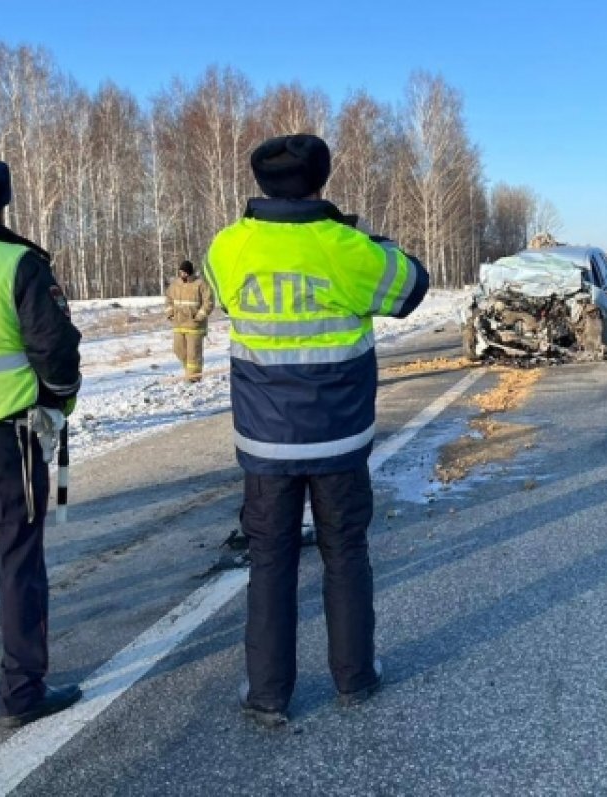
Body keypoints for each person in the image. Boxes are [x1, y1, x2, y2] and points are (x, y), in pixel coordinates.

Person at [205, 134, 429, 727]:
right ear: (321, 179)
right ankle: (354, 678)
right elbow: (412, 288)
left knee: (270, 563)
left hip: (264, 440)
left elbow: (228, 299)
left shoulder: (228, 246)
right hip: (339, 438)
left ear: (260, 182)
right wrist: (371, 241)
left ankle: (268, 695)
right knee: (345, 555)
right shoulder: (344, 246)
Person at [0, 158, 83, 727]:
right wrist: (59, 403)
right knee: (19, 560)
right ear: (1, 203)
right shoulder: (17, 262)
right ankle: (24, 690)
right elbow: (56, 351)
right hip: (9, 435)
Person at [164, 260, 214, 382]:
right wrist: (170, 314)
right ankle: (189, 372)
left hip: (195, 326)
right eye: (180, 271)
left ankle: (193, 379)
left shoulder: (201, 284)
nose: (182, 274)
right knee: (178, 350)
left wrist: (199, 316)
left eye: (184, 272)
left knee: (193, 354)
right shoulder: (175, 285)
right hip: (178, 324)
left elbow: (209, 302)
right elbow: (168, 300)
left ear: (190, 272)